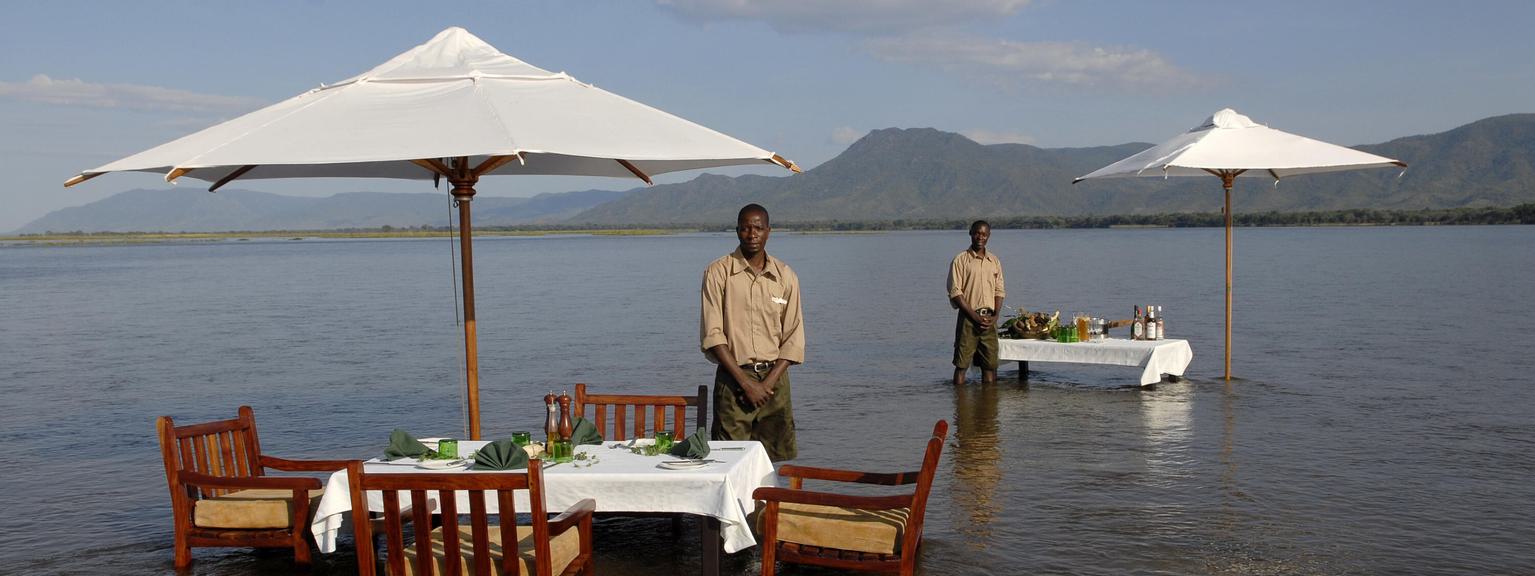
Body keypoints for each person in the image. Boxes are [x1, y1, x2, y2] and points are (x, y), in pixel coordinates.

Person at [700, 203, 804, 461]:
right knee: (729, 459)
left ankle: (764, 503)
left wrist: (766, 385)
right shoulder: (718, 272)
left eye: (758, 228)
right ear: (737, 231)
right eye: (745, 228)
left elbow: (793, 337)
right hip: (734, 381)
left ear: (769, 231)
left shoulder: (785, 276)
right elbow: (713, 335)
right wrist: (746, 384)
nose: (752, 234)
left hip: (775, 381)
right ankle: (736, 503)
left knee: (771, 460)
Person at [948, 220, 1005, 385]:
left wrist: (995, 316)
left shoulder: (994, 261)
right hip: (968, 319)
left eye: (984, 234)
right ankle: (959, 407)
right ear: (970, 234)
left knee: (990, 366)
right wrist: (974, 317)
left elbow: (999, 290)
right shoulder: (960, 260)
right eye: (977, 233)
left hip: (989, 319)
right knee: (961, 365)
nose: (980, 237)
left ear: (989, 236)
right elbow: (955, 293)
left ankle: (987, 407)